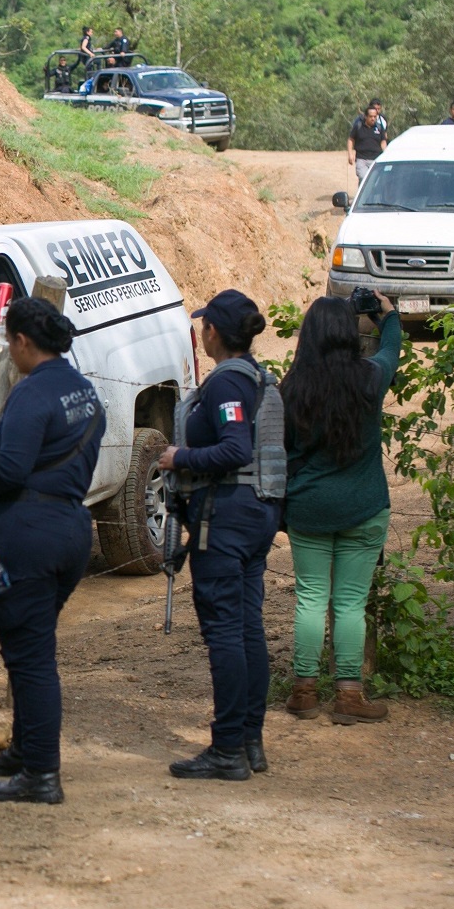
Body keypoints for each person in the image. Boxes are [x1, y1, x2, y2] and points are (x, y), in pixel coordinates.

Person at [0, 298, 102, 805]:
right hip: (69, 528)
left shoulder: (31, 394)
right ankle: (24, 752)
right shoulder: (85, 392)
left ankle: (42, 774)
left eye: (11, 343)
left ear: (23, 343)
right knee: (29, 648)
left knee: (30, 658)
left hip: (26, 533)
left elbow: (7, 470)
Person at [158, 290, 281, 781]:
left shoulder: (228, 383)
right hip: (254, 515)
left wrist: (178, 459)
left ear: (212, 332)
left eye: (204, 324)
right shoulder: (256, 376)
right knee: (248, 628)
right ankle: (249, 741)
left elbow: (233, 449)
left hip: (225, 519)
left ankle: (228, 747)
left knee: (227, 631)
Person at [279, 292, 402, 726]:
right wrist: (389, 314)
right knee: (350, 602)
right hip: (364, 505)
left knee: (311, 598)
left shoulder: (290, 389)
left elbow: (285, 451)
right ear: (349, 335)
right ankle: (349, 695)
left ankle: (303, 691)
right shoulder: (370, 378)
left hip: (309, 508)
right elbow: (391, 350)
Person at [348, 105, 385, 188]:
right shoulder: (358, 126)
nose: (373, 119)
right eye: (371, 116)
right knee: (364, 178)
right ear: (365, 116)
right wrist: (350, 154)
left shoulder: (379, 127)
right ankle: (362, 199)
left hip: (376, 160)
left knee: (375, 181)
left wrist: (385, 153)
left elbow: (383, 141)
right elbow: (351, 139)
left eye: (375, 116)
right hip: (362, 159)